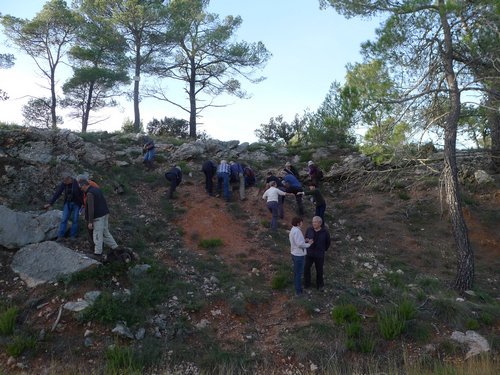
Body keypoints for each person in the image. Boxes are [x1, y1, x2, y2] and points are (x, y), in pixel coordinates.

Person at [77, 176, 119, 261]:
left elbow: (91, 208)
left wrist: (90, 221)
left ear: (84, 185)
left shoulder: (89, 193)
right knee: (106, 233)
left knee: (97, 235)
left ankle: (97, 253)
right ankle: (116, 248)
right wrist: (107, 213)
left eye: (81, 187)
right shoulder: (97, 189)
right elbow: (104, 201)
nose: (81, 189)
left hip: (97, 217)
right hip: (104, 215)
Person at [44, 172, 84, 242]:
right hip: (68, 203)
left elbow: (82, 193)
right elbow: (58, 193)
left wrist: (83, 203)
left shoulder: (76, 183)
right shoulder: (64, 184)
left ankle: (73, 236)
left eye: (65, 181)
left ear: (69, 179)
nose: (64, 182)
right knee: (64, 219)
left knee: (75, 219)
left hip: (77, 203)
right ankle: (60, 236)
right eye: (63, 181)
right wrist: (50, 203)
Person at [304, 216, 331, 292]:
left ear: (320, 223)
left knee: (319, 270)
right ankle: (307, 284)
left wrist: (323, 249)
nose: (314, 223)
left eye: (315, 222)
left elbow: (328, 243)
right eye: (313, 222)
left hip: (319, 255)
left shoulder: (325, 232)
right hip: (309, 253)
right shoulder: (309, 229)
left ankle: (320, 285)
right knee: (306, 268)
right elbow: (306, 238)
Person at [289, 217, 312, 297]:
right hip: (299, 255)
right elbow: (300, 244)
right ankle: (299, 292)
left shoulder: (293, 229)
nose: (302, 224)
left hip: (294, 254)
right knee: (299, 274)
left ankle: (298, 289)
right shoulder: (297, 231)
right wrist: (309, 244)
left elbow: (297, 241)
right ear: (298, 224)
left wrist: (304, 240)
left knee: (296, 273)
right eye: (301, 223)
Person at [77, 174, 99, 252]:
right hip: (94, 210)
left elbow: (90, 204)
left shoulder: (90, 189)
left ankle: (94, 248)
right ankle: (96, 247)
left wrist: (87, 216)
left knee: (91, 229)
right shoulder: (92, 186)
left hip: (93, 211)